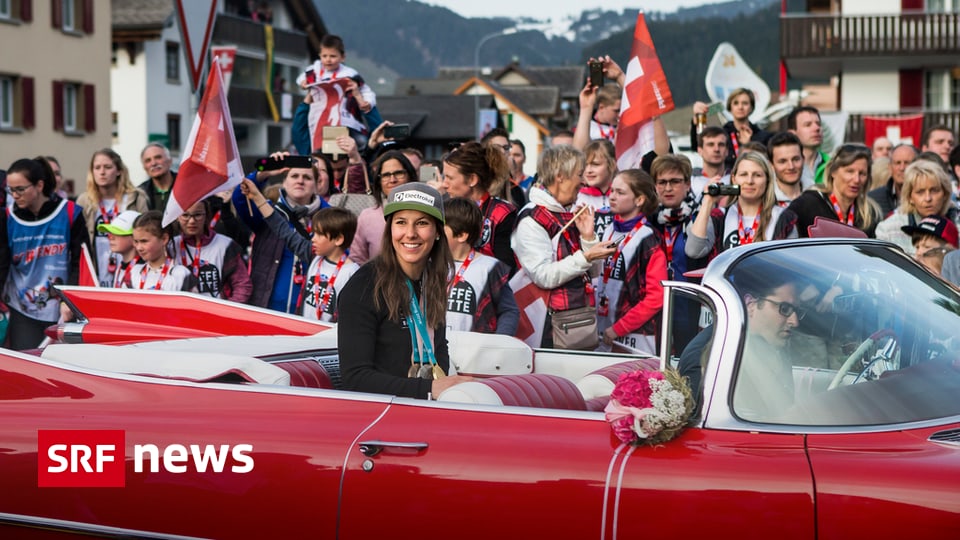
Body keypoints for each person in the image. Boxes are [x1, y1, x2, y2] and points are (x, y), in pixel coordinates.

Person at [337, 183, 473, 399]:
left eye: (421, 223)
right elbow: (355, 378)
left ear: (438, 231)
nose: (410, 234)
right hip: (379, 418)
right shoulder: (363, 286)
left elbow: (439, 345)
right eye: (401, 223)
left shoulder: (432, 278)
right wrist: (428, 389)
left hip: (423, 410)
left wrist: (439, 385)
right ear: (390, 229)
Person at [511, 145, 617, 348]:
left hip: (576, 317)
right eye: (579, 174)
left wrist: (588, 237)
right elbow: (543, 276)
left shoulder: (565, 212)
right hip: (549, 325)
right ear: (560, 176)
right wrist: (586, 256)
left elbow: (591, 273)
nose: (583, 181)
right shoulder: (532, 219)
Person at [241, 179, 359, 322]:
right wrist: (257, 197)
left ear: (338, 239)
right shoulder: (314, 256)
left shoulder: (352, 273)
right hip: (307, 335)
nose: (313, 239)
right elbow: (282, 229)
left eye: (319, 235)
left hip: (331, 340)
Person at [1, 157, 88, 350]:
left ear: (39, 185)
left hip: (63, 308)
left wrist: (71, 301)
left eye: (20, 189)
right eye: (10, 190)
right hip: (22, 308)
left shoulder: (70, 212)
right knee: (26, 364)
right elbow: (2, 264)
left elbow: (81, 262)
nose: (14, 195)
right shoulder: (7, 217)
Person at [232, 152, 328, 312]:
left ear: (317, 185)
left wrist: (324, 210)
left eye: (307, 177)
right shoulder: (267, 211)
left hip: (308, 312)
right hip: (267, 308)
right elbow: (240, 199)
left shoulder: (327, 217)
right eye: (294, 175)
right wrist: (264, 173)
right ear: (284, 181)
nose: (300, 180)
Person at [595, 169, 666, 354]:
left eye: (620, 192)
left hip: (635, 336)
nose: (612, 197)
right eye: (612, 191)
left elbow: (656, 298)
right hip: (602, 330)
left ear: (639, 200)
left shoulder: (649, 238)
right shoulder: (608, 229)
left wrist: (619, 328)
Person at [731, 262, 807, 422]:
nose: (794, 321)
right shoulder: (714, 354)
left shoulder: (774, 347)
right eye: (784, 309)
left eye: (796, 311)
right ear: (750, 305)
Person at [648, 154, 708, 353]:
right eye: (662, 182)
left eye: (675, 181)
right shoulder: (649, 219)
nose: (668, 188)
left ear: (688, 183)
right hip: (655, 308)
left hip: (689, 305)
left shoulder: (699, 216)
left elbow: (695, 250)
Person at [686, 151, 798, 259]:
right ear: (734, 179)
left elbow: (790, 263)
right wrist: (708, 201)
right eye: (743, 174)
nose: (749, 181)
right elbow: (693, 251)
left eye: (757, 175)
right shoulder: (719, 217)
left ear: (767, 180)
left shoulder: (783, 218)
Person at [443, 197, 519, 335]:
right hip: (437, 351)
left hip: (476, 351)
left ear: (461, 235)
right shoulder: (431, 265)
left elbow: (508, 311)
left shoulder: (490, 267)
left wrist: (499, 343)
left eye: (440, 229)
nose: (435, 234)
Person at [76, 149, 149, 287]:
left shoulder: (136, 197)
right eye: (97, 168)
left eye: (108, 167)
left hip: (131, 271)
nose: (102, 172)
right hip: (97, 270)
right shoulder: (84, 201)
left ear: (119, 171)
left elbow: (147, 233)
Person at [442, 141, 518, 273]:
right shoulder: (445, 209)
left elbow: (506, 268)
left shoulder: (501, 213)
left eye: (450, 178)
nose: (444, 184)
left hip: (487, 289)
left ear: (472, 180)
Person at [296, 34, 377, 147]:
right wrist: (303, 83)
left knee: (360, 143)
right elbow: (301, 78)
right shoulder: (313, 71)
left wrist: (368, 101)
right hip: (320, 119)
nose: (328, 60)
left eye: (333, 56)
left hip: (346, 119)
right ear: (320, 56)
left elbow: (365, 90)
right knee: (322, 149)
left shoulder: (350, 74)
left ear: (342, 57)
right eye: (324, 56)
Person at [787, 144, 882, 238]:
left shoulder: (870, 213)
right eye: (850, 171)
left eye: (862, 173)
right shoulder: (807, 204)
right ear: (833, 172)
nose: (856, 179)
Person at [173, 198, 253, 302]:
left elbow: (242, 285)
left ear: (206, 216)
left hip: (216, 314)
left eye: (197, 215)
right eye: (185, 215)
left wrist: (227, 311)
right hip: (181, 313)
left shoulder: (225, 245)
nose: (192, 221)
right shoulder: (170, 246)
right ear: (177, 217)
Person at [874, 159, 956, 255]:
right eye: (920, 192)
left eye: (934, 190)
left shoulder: (957, 221)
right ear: (910, 197)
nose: (928, 198)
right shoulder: (888, 229)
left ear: (945, 194)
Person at [351, 150, 415, 265]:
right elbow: (357, 260)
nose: (392, 180)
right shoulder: (367, 217)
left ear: (409, 176)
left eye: (398, 173)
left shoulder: (426, 212)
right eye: (386, 175)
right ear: (379, 181)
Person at [691, 88, 771, 171]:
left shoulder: (763, 137)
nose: (740, 107)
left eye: (745, 103)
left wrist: (748, 145)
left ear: (751, 107)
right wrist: (696, 122)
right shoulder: (722, 134)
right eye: (736, 103)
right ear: (730, 107)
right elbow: (697, 146)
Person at [130, 211, 197, 292]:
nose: (139, 247)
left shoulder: (181, 274)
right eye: (136, 241)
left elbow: (192, 304)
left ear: (164, 239)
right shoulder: (133, 273)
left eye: (144, 241)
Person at [575, 139, 618, 237]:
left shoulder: (624, 195)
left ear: (612, 165)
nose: (588, 170)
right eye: (585, 165)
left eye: (595, 164)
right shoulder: (576, 197)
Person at [868, 144, 917, 218]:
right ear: (890, 167)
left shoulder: (925, 197)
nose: (902, 168)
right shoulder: (873, 199)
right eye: (898, 163)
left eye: (907, 163)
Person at [96, 210, 141, 288]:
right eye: (110, 232)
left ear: (135, 237)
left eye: (118, 232)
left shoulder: (144, 270)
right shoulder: (120, 268)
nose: (110, 237)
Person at [787, 106, 828, 186]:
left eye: (818, 124)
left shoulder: (832, 165)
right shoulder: (786, 167)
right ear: (792, 133)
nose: (817, 128)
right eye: (808, 125)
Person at [766, 132, 809, 206]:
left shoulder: (819, 195)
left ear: (803, 159)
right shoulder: (764, 201)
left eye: (795, 159)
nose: (791, 167)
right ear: (771, 165)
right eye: (783, 161)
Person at [690, 126, 731, 200]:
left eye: (721, 144)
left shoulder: (736, 179)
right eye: (710, 145)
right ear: (700, 150)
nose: (716, 149)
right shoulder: (690, 181)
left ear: (727, 151)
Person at [138, 143, 177, 211]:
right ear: (144, 167)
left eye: (158, 157)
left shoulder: (185, 186)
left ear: (170, 161)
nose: (153, 163)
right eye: (148, 160)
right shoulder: (140, 193)